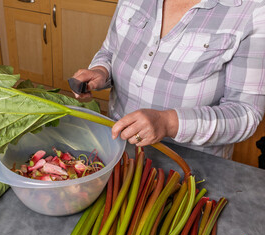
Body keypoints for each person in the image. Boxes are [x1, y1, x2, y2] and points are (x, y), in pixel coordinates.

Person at [70, 0, 265, 159]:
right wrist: (101, 71)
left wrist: (168, 122)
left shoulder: (253, 10)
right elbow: (110, 50)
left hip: (189, 167)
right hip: (117, 149)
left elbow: (245, 113)